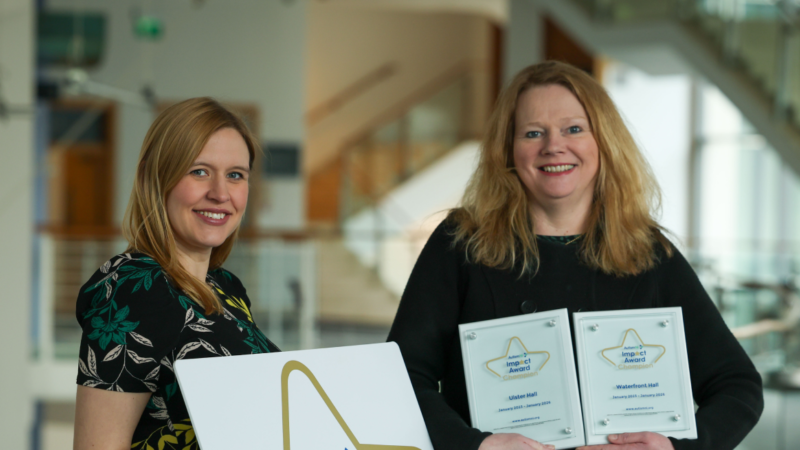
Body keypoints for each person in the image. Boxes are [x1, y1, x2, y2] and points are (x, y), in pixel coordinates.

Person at [387, 61, 763, 450]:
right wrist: (474, 445)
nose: (553, 146)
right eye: (533, 133)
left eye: (573, 129)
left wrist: (676, 448)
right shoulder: (461, 243)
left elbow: (738, 386)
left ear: (603, 141)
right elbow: (400, 376)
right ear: (509, 150)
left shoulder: (648, 251)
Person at [73, 97, 279, 449]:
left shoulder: (226, 287)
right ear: (159, 179)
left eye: (235, 175)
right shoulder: (134, 287)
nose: (220, 193)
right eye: (199, 171)